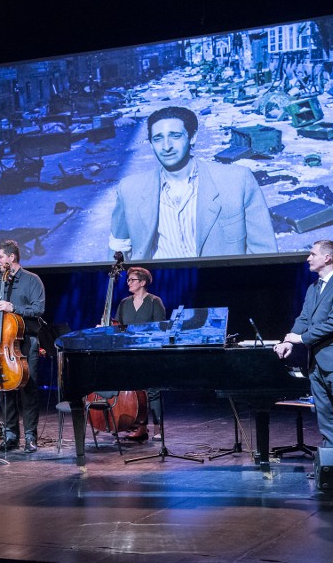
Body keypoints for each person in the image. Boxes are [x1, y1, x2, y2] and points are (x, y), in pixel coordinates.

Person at [109, 106, 277, 261]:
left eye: (175, 136)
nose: (166, 146)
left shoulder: (237, 181)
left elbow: (264, 252)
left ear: (192, 137)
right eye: (158, 138)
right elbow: (118, 248)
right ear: (151, 143)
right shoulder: (130, 190)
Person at [274, 240, 333, 448]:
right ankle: (330, 466)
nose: (308, 258)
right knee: (325, 416)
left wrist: (302, 339)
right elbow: (304, 318)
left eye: (313, 254)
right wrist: (289, 340)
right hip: (316, 362)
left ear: (327, 258)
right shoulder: (313, 288)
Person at [0, 239, 45, 453]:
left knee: (28, 389)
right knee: (5, 390)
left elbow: (38, 309)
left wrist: (12, 307)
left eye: (0, 257)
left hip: (26, 342)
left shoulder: (32, 280)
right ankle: (10, 436)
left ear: (11, 257)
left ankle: (30, 437)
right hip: (3, 345)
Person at [113, 267, 167, 441]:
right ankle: (140, 428)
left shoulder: (154, 301)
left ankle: (158, 428)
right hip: (129, 353)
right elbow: (117, 326)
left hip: (148, 353)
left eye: (132, 280)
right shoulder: (124, 303)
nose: (128, 282)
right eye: (128, 280)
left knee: (152, 391)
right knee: (137, 393)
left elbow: (160, 328)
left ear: (143, 282)